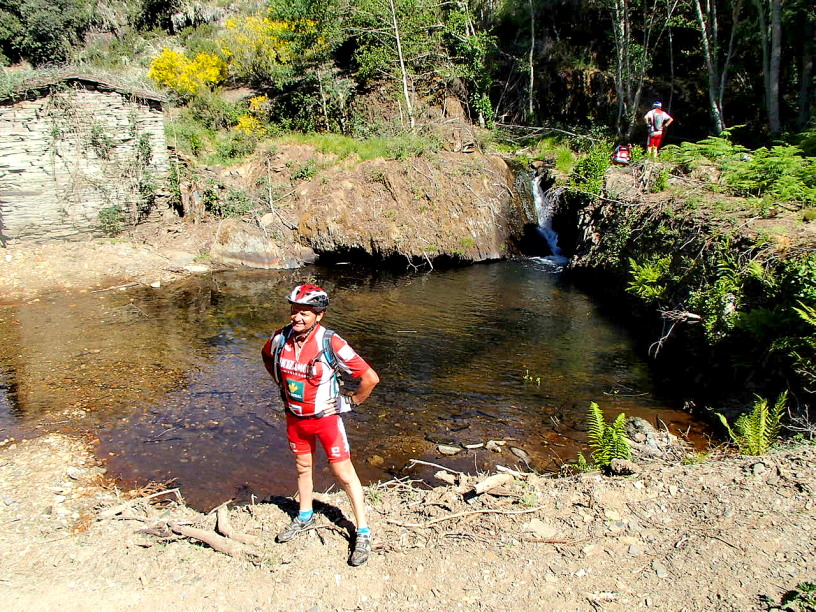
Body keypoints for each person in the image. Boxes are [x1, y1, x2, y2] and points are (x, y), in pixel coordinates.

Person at [261, 283, 380, 566]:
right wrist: (281, 384)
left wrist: (350, 402)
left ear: (319, 315)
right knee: (303, 468)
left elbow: (370, 378)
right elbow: (266, 356)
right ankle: (305, 515)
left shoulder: (331, 342)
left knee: (343, 474)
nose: (297, 317)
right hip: (295, 419)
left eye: (305, 312)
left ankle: (362, 531)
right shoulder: (280, 338)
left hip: (326, 422)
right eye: (294, 310)